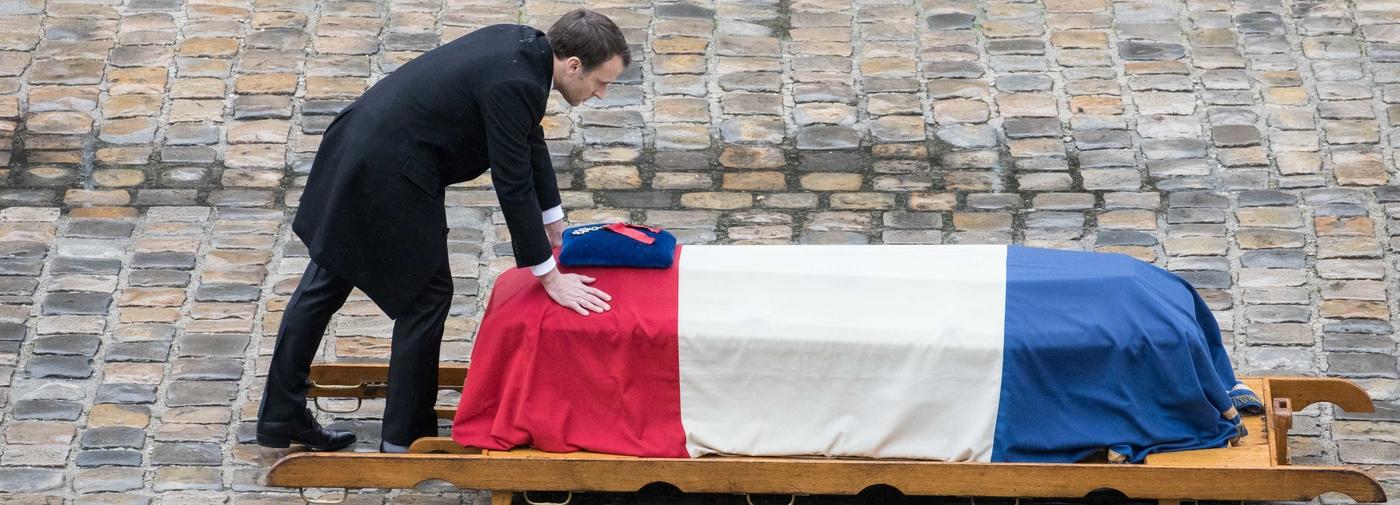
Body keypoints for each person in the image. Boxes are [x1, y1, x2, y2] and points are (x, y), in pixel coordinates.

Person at [255, 9, 629, 453]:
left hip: (361, 144)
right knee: (426, 297)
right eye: (601, 82)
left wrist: (554, 225)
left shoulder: (524, 48)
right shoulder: (517, 82)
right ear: (574, 65)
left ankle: (280, 414)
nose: (601, 93)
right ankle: (405, 436)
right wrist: (549, 276)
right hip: (390, 171)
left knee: (327, 279)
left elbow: (529, 139)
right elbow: (511, 182)